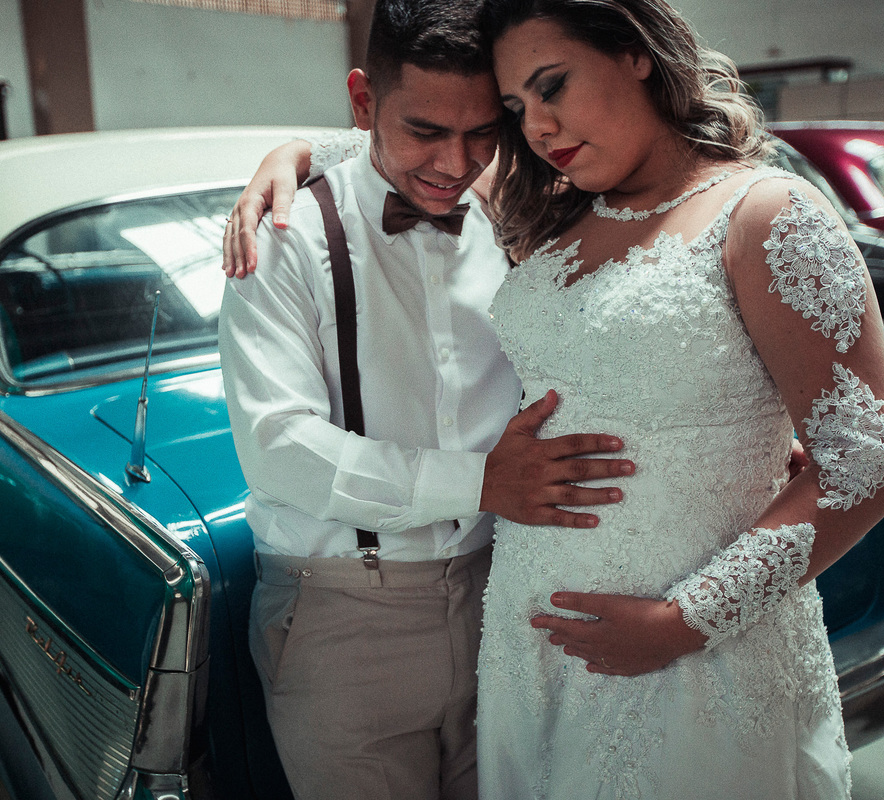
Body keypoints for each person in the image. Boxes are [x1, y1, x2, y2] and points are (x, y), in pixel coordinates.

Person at [230, 0, 884, 797]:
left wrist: (683, 623)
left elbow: (869, 459)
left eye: (547, 91)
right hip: (502, 641)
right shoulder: (548, 209)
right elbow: (433, 151)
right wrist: (302, 150)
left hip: (680, 643)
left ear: (635, 53)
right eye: (520, 109)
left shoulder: (759, 211)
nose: (536, 129)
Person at [216, 1, 636, 797]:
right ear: (364, 101)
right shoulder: (285, 236)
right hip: (345, 622)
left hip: (500, 599)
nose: (455, 163)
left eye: (482, 132)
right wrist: (481, 484)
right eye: (425, 132)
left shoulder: (512, 218)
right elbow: (277, 447)